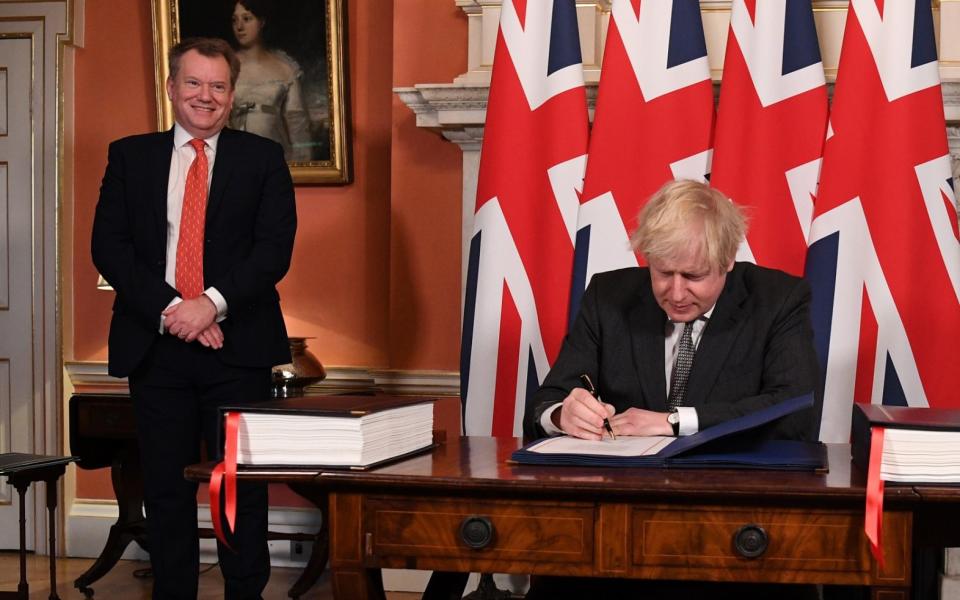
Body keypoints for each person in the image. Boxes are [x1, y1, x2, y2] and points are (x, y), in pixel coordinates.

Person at [521, 179, 823, 599]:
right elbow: (546, 400)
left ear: (728, 260)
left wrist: (673, 422)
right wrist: (560, 413)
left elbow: (794, 410)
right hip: (617, 528)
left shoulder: (778, 300)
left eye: (693, 276)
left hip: (733, 526)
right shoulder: (608, 296)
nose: (675, 292)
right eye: (662, 273)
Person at [91, 37, 296, 600]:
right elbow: (110, 247)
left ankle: (244, 594)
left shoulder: (263, 159)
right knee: (164, 488)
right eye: (194, 83)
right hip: (155, 348)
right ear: (171, 87)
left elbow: (273, 250)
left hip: (239, 348)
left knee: (238, 489)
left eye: (218, 86)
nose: (205, 96)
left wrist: (210, 304)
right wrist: (174, 311)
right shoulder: (130, 156)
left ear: (232, 94)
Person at [229, 0, 313, 162]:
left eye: (246, 19)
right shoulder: (225, 67)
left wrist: (303, 165)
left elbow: (297, 124)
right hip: (235, 156)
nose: (239, 27)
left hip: (275, 156)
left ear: (261, 22)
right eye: (235, 20)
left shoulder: (285, 69)